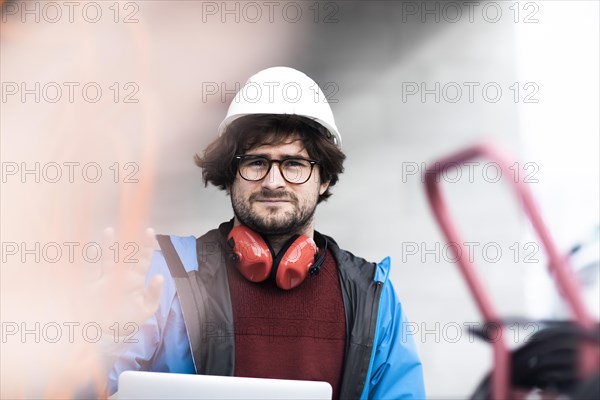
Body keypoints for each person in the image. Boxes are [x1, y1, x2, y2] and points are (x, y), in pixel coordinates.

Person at [106, 67, 425, 399]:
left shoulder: (371, 294)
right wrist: (102, 340)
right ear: (231, 173)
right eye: (256, 162)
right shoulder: (165, 275)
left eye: (294, 164)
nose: (273, 182)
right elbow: (79, 389)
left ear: (324, 178)